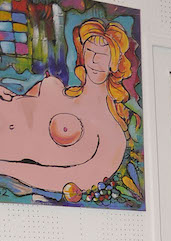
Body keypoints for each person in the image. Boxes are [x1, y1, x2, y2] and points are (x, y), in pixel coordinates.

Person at [0, 18, 136, 193]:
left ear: (115, 62)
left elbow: (73, 180)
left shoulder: (112, 134)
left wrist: (5, 168)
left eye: (103, 55)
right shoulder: (51, 86)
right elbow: (24, 113)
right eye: (89, 51)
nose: (94, 60)